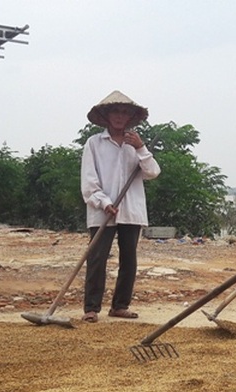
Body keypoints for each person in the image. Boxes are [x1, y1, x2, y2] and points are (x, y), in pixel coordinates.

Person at [80, 90, 161, 323]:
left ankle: (120, 305)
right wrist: (104, 202)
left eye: (124, 113)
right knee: (97, 258)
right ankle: (91, 308)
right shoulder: (94, 144)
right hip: (101, 211)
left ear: (130, 118)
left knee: (129, 259)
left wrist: (141, 148)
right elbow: (88, 182)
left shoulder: (135, 145)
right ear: (106, 116)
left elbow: (153, 172)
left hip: (131, 211)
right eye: (115, 111)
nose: (119, 116)